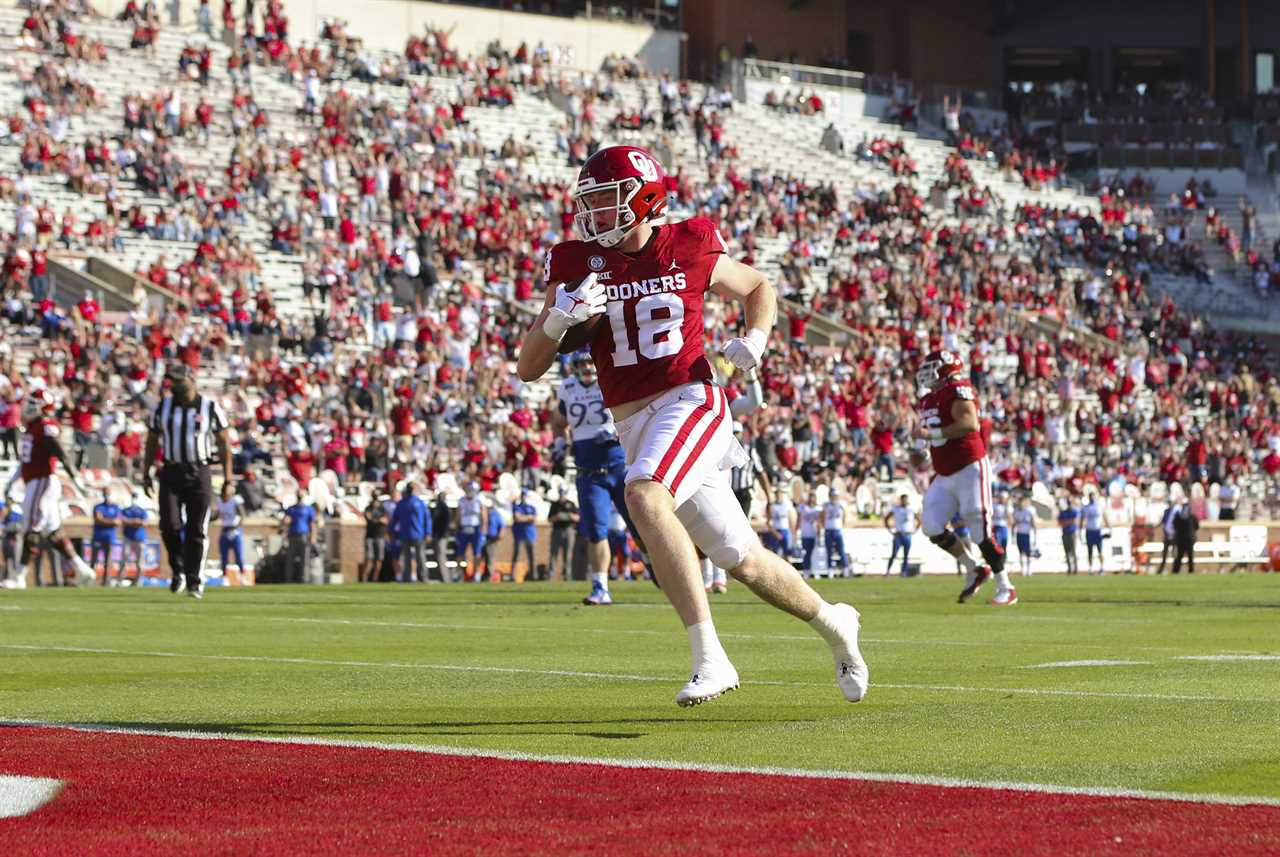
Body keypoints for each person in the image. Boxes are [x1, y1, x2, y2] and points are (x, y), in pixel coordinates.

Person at [517, 144, 868, 707]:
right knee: (743, 559)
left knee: (644, 495)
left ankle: (712, 659)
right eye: (592, 203)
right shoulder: (577, 262)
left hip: (691, 398)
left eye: (608, 201)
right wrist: (561, 317)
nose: (596, 215)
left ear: (646, 198)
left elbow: (758, 286)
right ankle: (834, 623)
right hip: (632, 423)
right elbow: (528, 367)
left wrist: (754, 341)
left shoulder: (689, 241)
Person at [914, 349, 1015, 606]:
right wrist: (920, 452)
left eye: (932, 366)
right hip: (944, 470)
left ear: (945, 368)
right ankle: (974, 568)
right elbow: (932, 436)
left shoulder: (958, 389)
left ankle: (1006, 586)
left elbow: (969, 424)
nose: (926, 372)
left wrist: (930, 436)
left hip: (969, 466)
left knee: (979, 527)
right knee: (931, 525)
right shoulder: (927, 399)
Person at [143, 364, 233, 599]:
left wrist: (228, 479)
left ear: (191, 380)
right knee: (169, 524)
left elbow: (224, 443)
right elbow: (152, 440)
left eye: (179, 381)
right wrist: (146, 472)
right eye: (172, 382)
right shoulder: (163, 407)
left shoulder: (210, 407)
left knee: (196, 529)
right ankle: (178, 569)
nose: (175, 386)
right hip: (171, 471)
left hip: (199, 471)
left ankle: (194, 581)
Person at [554, 352, 631, 605]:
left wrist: (614, 430)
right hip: (589, 471)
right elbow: (559, 421)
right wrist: (558, 444)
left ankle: (653, 563)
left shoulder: (609, 379)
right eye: (582, 363)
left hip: (619, 465)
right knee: (596, 532)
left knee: (640, 525)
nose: (587, 367)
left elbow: (632, 410)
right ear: (573, 367)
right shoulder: (567, 388)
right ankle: (601, 587)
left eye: (590, 361)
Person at [4, 388, 97, 589]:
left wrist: (76, 479)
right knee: (53, 532)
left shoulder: (45, 426)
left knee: (31, 527)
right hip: (35, 481)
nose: (26, 407)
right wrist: (12, 482)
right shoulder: (32, 427)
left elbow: (60, 452)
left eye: (32, 402)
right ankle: (82, 569)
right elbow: (25, 462)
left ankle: (19, 576)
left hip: (42, 481)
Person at [391, 482, 431, 583]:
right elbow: (395, 519)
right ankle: (407, 578)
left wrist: (428, 532)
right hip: (406, 534)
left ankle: (423, 577)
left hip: (417, 534)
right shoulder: (402, 503)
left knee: (419, 557)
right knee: (407, 558)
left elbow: (427, 519)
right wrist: (391, 531)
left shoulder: (419, 502)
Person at [282, 497, 319, 583]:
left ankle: (304, 580)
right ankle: (288, 580)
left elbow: (312, 524)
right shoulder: (291, 509)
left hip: (304, 536)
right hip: (292, 536)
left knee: (305, 560)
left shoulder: (309, 509)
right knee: (290, 560)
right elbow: (285, 522)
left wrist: (313, 537)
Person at [454, 481, 485, 581]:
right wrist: (456, 527)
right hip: (464, 528)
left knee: (477, 553)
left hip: (476, 528)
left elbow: (484, 516)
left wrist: (483, 530)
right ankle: (459, 573)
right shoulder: (462, 501)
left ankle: (476, 573)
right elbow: (458, 516)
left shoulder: (479, 500)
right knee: (460, 553)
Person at [91, 488, 122, 585]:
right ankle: (91, 581)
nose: (106, 495)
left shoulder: (116, 507)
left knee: (107, 562)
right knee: (94, 561)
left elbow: (118, 522)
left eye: (108, 493)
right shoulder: (98, 507)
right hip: (98, 537)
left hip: (110, 538)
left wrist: (105, 521)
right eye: (105, 493)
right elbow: (98, 519)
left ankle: (105, 582)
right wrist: (111, 521)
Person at [546, 488, 578, 581]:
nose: (562, 496)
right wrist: (558, 516)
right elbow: (549, 519)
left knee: (568, 555)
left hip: (569, 530)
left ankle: (567, 576)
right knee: (553, 554)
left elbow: (578, 518)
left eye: (563, 494)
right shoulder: (555, 505)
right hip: (557, 530)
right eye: (560, 494)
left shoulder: (571, 504)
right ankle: (550, 576)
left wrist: (569, 515)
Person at [884, 493, 918, 577]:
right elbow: (886, 518)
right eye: (903, 500)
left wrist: (915, 530)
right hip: (898, 535)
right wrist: (890, 530)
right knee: (894, 554)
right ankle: (888, 571)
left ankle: (904, 572)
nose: (905, 501)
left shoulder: (911, 509)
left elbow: (919, 519)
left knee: (906, 555)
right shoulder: (896, 509)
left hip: (907, 534)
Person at [216, 482, 246, 579]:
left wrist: (236, 528)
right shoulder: (219, 501)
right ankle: (224, 577)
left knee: (238, 556)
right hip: (225, 530)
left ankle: (242, 575)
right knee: (224, 557)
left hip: (235, 531)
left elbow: (242, 516)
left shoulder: (235, 501)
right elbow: (217, 515)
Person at [821, 485, 849, 577]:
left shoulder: (841, 505)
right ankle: (830, 570)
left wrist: (842, 525)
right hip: (828, 530)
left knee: (841, 550)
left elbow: (845, 515)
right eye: (832, 495)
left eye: (835, 495)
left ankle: (845, 569)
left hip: (838, 530)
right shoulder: (826, 505)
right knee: (829, 551)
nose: (834, 497)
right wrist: (824, 526)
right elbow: (822, 516)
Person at [762, 483, 796, 562]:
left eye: (781, 493)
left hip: (786, 531)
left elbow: (791, 520)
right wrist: (775, 532)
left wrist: (792, 533)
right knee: (775, 555)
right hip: (776, 531)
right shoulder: (772, 506)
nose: (779, 495)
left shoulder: (787, 505)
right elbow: (768, 522)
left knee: (787, 555)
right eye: (777, 493)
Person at [121, 492, 148, 584]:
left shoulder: (142, 511)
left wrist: (131, 522)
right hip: (128, 538)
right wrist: (135, 521)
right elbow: (123, 521)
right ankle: (120, 579)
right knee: (124, 559)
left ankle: (138, 581)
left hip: (140, 539)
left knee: (140, 562)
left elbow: (144, 523)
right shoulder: (126, 510)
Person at [510, 489, 537, 583]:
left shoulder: (531, 507)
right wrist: (528, 518)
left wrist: (523, 518)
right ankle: (512, 575)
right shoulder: (517, 507)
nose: (523, 497)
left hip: (530, 534)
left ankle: (533, 575)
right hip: (519, 534)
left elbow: (534, 519)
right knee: (516, 555)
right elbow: (517, 518)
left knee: (532, 556)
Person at [360, 494, 388, 582]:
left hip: (380, 536)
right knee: (369, 558)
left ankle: (375, 578)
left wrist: (377, 519)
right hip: (370, 536)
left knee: (379, 559)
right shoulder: (368, 508)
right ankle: (364, 578)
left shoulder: (382, 509)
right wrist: (378, 519)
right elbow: (370, 518)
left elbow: (386, 520)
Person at [429, 490, 453, 582]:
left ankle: (445, 578)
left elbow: (445, 524)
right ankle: (442, 577)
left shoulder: (444, 508)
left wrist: (439, 535)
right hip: (438, 535)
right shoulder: (439, 507)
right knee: (439, 556)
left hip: (441, 536)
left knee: (441, 556)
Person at [797, 490, 820, 576]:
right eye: (810, 497)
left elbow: (820, 522)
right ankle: (806, 570)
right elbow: (798, 520)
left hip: (814, 535)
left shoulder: (818, 509)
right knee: (806, 553)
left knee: (814, 554)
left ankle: (815, 571)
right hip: (805, 534)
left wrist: (819, 532)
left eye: (813, 497)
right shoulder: (802, 507)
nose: (812, 499)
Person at [1172, 499, 1199, 574]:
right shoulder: (1189, 517)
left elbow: (1196, 526)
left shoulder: (1191, 517)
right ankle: (1177, 571)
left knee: (1187, 556)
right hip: (1184, 539)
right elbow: (1196, 527)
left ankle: (1187, 570)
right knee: (1181, 556)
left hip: (1186, 539)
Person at [1013, 495, 1037, 576]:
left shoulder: (1029, 511)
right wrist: (1013, 534)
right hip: (1019, 533)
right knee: (1020, 552)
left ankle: (1029, 570)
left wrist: (1035, 535)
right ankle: (1022, 570)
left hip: (1027, 534)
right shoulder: (1016, 511)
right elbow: (1015, 523)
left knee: (1028, 553)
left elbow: (1033, 523)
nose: (1021, 504)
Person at [1082, 492, 1105, 575]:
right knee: (1090, 551)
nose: (1092, 498)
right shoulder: (1086, 507)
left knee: (1100, 551)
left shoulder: (1099, 506)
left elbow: (1105, 516)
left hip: (1097, 530)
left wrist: (1109, 529)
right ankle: (1090, 568)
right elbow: (1082, 519)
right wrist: (1080, 530)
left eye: (1093, 496)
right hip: (1089, 531)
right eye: (1090, 496)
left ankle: (1102, 568)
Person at [1058, 495, 1080, 575]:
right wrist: (1067, 522)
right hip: (1065, 533)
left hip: (1072, 533)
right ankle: (1070, 569)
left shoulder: (1074, 511)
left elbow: (1073, 521)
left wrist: (1066, 522)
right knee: (1067, 552)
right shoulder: (1063, 512)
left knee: (1073, 552)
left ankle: (1075, 570)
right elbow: (1060, 522)